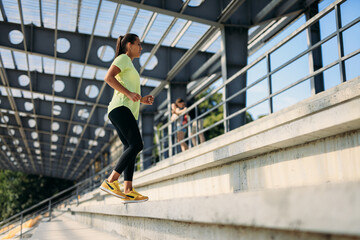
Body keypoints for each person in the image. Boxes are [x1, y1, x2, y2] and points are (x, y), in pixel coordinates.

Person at [99, 33, 154, 203]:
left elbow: (128, 88)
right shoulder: (123, 58)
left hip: (124, 110)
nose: (141, 48)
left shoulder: (129, 64)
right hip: (120, 108)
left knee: (130, 148)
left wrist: (141, 98)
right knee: (137, 144)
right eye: (139, 44)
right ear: (129, 45)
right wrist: (129, 93)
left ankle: (128, 190)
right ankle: (111, 181)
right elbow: (108, 78)